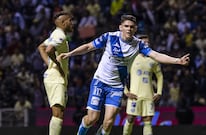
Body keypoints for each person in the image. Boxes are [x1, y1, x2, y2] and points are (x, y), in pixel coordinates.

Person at [58, 14, 190, 135]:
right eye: (126, 26)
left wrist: (177, 60)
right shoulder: (109, 37)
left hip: (116, 87)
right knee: (92, 119)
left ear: (135, 29)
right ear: (120, 27)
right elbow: (88, 47)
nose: (129, 29)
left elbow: (156, 55)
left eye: (132, 27)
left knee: (108, 122)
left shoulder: (138, 44)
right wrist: (70, 54)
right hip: (100, 81)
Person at [37, 11, 74, 135]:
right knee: (57, 113)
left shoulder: (56, 33)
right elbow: (48, 49)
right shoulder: (60, 35)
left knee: (59, 113)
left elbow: (41, 47)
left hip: (54, 76)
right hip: (56, 78)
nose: (72, 23)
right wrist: (56, 65)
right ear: (64, 23)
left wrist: (49, 64)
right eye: (70, 20)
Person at [123, 34, 163, 135]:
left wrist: (159, 92)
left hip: (148, 95)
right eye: (144, 42)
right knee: (130, 118)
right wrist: (126, 91)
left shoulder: (153, 60)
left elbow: (160, 76)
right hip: (134, 94)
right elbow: (121, 74)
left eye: (148, 42)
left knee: (147, 119)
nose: (146, 44)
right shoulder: (131, 58)